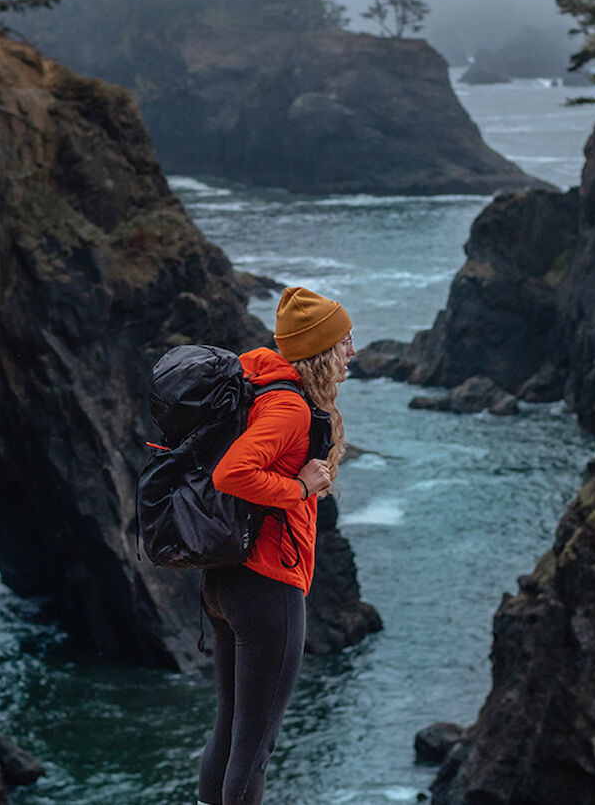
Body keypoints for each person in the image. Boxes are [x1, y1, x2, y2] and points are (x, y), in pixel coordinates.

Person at [197, 286, 355, 805]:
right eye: (346, 341)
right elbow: (230, 473)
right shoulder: (289, 408)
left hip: (227, 579)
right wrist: (302, 489)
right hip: (267, 586)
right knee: (256, 745)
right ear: (324, 351)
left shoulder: (260, 385)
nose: (353, 350)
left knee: (230, 728)